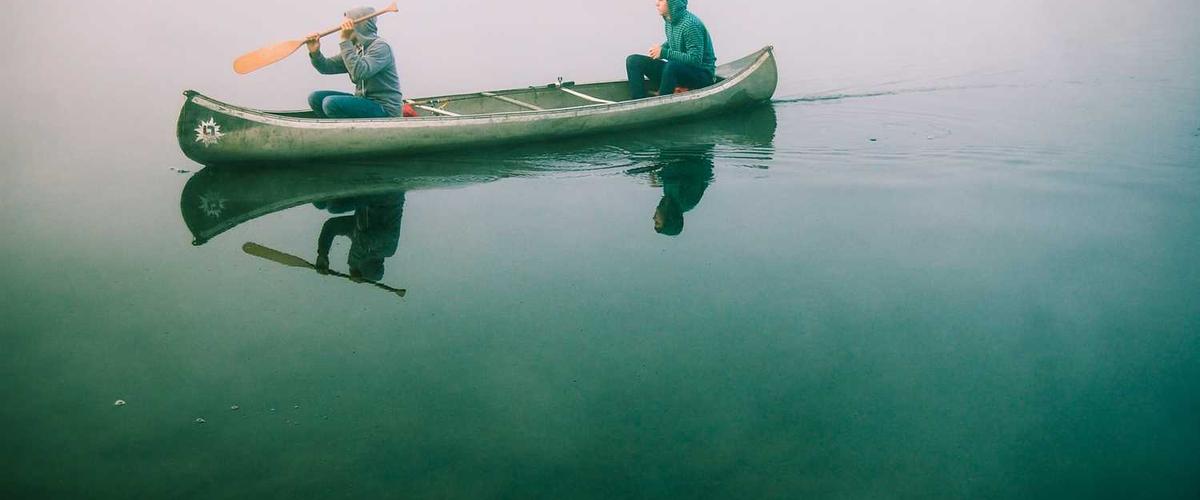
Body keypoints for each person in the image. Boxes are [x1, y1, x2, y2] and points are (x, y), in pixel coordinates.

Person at [306, 6, 404, 118]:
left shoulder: (380, 47)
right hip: (364, 101)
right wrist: (315, 53)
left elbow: (359, 73)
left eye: (347, 26)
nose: (342, 30)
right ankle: (333, 130)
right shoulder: (356, 48)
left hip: (385, 108)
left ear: (359, 27)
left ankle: (346, 131)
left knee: (331, 103)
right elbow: (326, 67)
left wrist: (344, 41)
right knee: (315, 98)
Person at [626, 0, 717, 100]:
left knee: (672, 65)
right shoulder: (670, 21)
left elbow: (695, 59)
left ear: (673, 2)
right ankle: (638, 101)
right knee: (633, 61)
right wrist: (662, 49)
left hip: (702, 76)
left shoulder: (690, 25)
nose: (657, 3)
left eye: (661, 0)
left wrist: (664, 53)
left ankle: (661, 103)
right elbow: (673, 41)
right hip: (678, 72)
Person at [314, 192, 405, 281]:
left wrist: (322, 253)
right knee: (334, 207)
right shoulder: (387, 249)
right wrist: (353, 266)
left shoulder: (358, 229)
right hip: (389, 196)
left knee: (321, 203)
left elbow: (331, 226)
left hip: (369, 197)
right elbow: (364, 241)